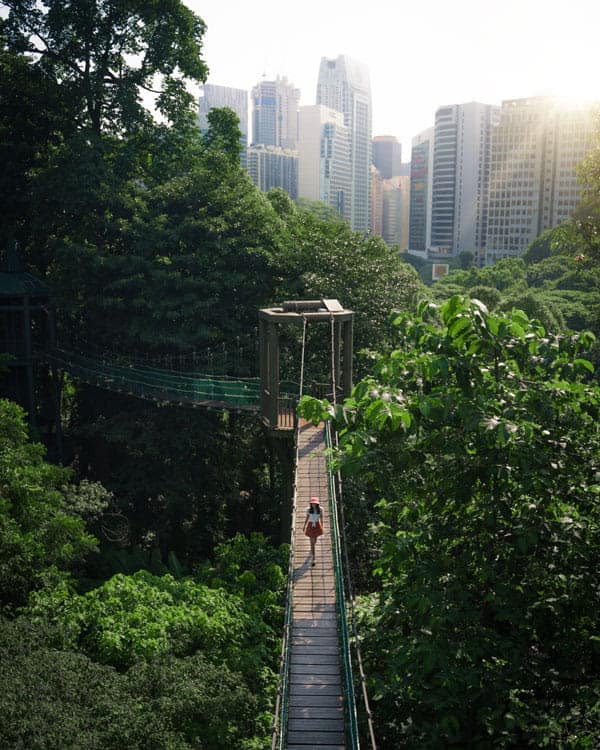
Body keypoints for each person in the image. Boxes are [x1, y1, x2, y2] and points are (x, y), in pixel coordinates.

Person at [303, 497, 323, 567]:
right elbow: (307, 518)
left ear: (317, 504)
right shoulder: (308, 510)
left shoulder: (320, 510)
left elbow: (321, 518)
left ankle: (312, 550)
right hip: (311, 525)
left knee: (315, 541)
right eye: (312, 503)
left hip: (317, 525)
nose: (313, 504)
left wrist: (322, 527)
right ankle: (314, 559)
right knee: (312, 543)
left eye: (315, 503)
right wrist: (304, 526)